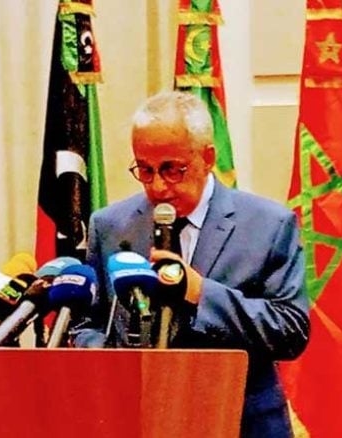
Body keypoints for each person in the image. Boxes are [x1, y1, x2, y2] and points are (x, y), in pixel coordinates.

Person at [78, 90, 310, 437]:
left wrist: (201, 293)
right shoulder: (110, 226)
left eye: (172, 169)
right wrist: (112, 362)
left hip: (240, 422)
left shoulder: (268, 225)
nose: (158, 186)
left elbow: (291, 330)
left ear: (208, 158)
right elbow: (87, 323)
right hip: (137, 419)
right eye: (145, 170)